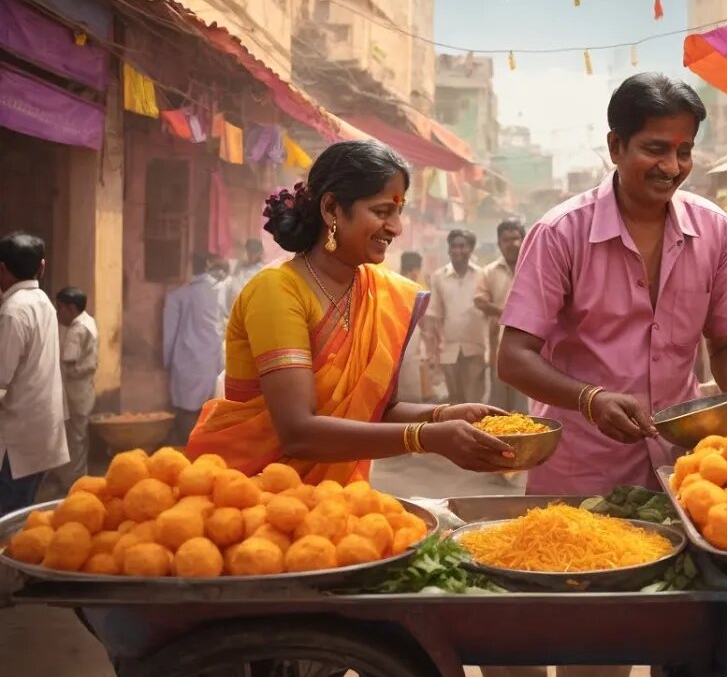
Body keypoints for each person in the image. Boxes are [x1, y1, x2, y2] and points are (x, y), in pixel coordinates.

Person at [496, 72, 727, 677]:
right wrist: (589, 399)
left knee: (676, 630)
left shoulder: (716, 231)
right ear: (615, 146)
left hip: (682, 470)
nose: (672, 166)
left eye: (684, 150)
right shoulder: (560, 233)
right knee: (592, 639)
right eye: (655, 148)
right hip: (581, 469)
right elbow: (514, 357)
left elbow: (726, 342)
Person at [184, 139, 511, 482]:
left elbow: (378, 410)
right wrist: (424, 438)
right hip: (251, 496)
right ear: (331, 209)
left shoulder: (379, 292)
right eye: (383, 211)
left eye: (399, 212)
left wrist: (443, 415)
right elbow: (298, 432)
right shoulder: (278, 291)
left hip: (335, 505)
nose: (396, 227)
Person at [0, 233, 68, 514]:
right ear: (42, 267)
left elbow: (1, 377)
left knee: (8, 516)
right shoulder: (43, 302)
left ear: (2, 269)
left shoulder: (13, 311)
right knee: (22, 512)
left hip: (16, 438)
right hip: (40, 429)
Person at [163, 254, 227, 445]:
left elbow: (169, 334)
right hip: (210, 361)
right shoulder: (217, 292)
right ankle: (203, 452)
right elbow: (220, 328)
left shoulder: (178, 296)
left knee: (185, 411)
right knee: (206, 410)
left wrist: (167, 361)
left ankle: (186, 451)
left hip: (184, 361)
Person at [44, 287, 98, 497]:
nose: (58, 313)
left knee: (73, 440)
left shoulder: (77, 329)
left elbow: (67, 360)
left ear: (71, 308)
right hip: (83, 391)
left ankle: (73, 484)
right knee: (78, 438)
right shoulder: (88, 321)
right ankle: (75, 480)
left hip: (74, 393)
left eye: (61, 308)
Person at [427, 229, 488, 405]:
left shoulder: (482, 275)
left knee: (474, 402)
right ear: (448, 250)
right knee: (454, 402)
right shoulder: (439, 277)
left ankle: (474, 433)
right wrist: (432, 353)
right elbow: (434, 314)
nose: (457, 251)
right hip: (449, 350)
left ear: (471, 249)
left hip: (476, 347)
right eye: (453, 246)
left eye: (462, 246)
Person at [475, 217, 529, 413]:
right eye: (506, 239)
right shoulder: (489, 272)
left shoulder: (534, 268)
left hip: (530, 349)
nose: (512, 244)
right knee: (498, 406)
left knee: (523, 405)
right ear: (499, 243)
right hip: (497, 346)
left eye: (516, 238)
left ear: (525, 239)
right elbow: (479, 301)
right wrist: (508, 316)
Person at [396, 251, 430, 404]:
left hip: (403, 343)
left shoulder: (391, 284)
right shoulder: (414, 289)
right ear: (413, 270)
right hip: (405, 341)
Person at [222, 238, 266, 316]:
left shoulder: (263, 270)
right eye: (249, 252)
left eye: (254, 253)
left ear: (259, 254)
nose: (251, 256)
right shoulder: (238, 267)